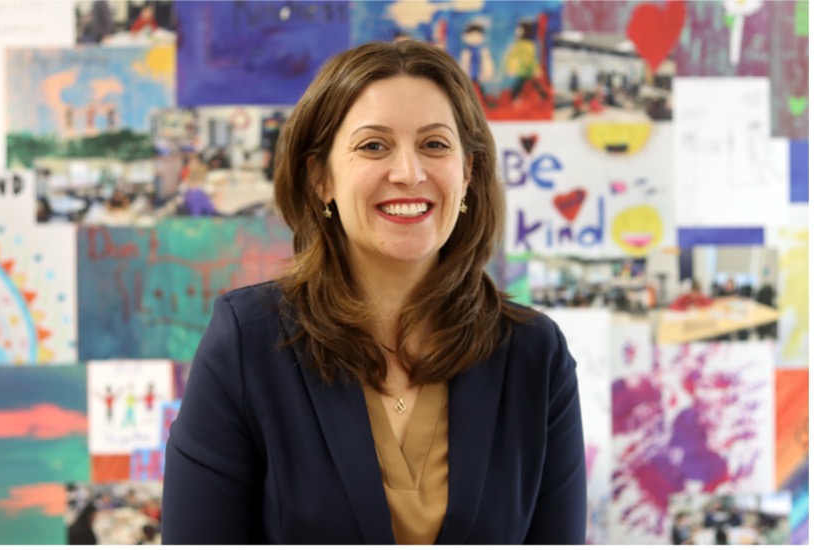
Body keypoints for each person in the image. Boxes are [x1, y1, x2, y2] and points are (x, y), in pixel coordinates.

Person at [161, 40, 586, 544]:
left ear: (468, 173)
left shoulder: (535, 355)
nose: (409, 173)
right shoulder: (247, 342)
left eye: (434, 145)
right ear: (321, 178)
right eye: (373, 146)